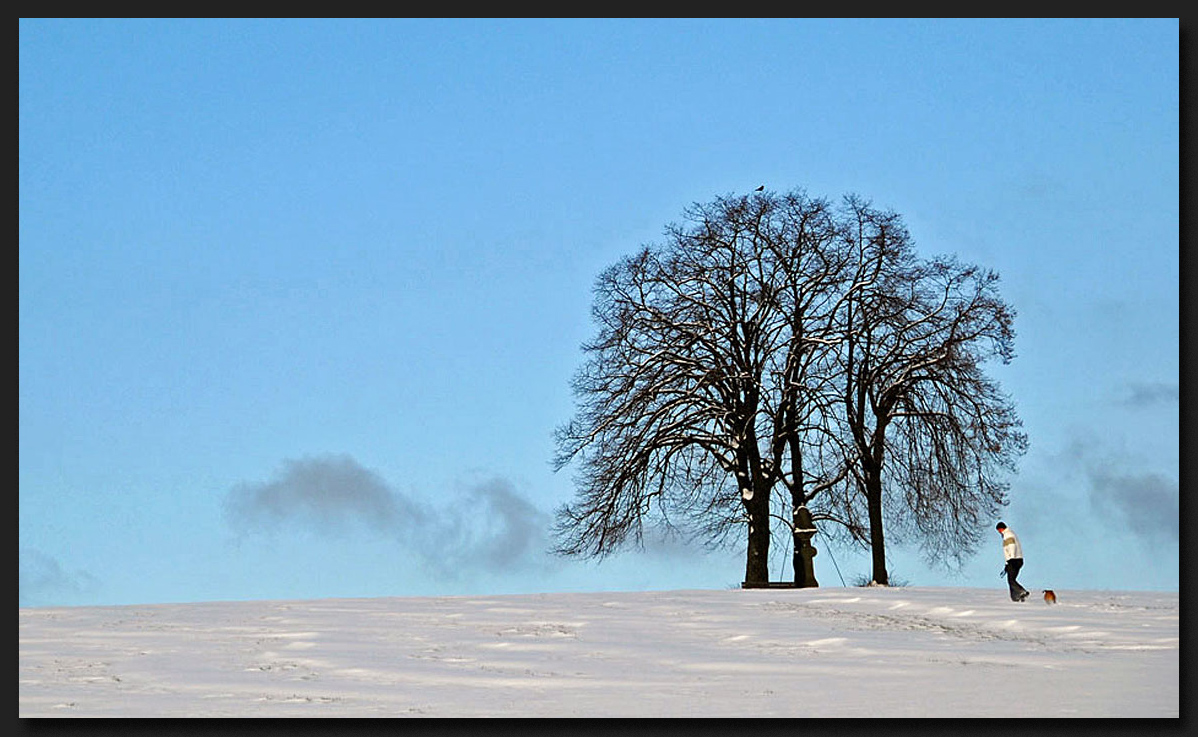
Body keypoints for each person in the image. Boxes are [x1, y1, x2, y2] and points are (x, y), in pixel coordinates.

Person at [996, 522, 1030, 602]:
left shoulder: (1008, 535)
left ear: (1001, 528)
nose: (999, 532)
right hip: (1016, 560)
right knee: (1011, 579)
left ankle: (1021, 592)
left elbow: (1012, 547)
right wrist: (1007, 564)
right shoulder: (1008, 534)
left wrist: (1011, 559)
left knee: (1011, 580)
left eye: (998, 530)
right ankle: (1016, 597)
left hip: (1014, 560)